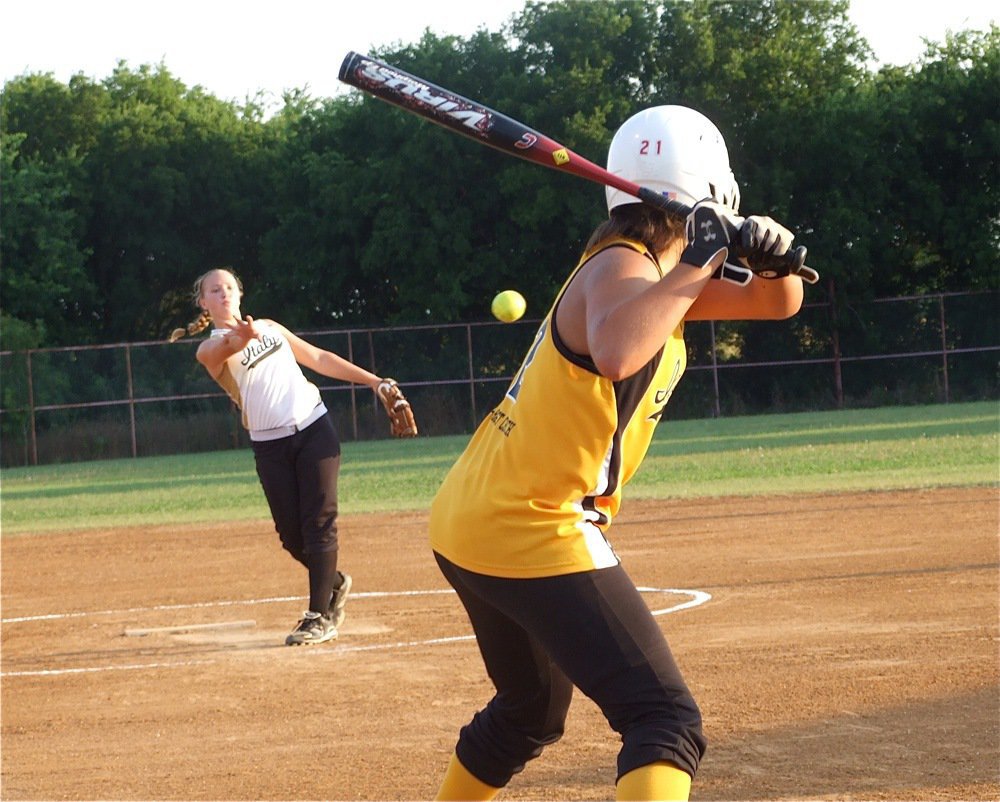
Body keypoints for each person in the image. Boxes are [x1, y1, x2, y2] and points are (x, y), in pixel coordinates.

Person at [427, 105, 809, 801]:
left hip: (475, 516)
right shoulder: (623, 266)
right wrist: (700, 258)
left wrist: (770, 258)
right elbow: (617, 349)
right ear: (713, 188)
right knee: (664, 719)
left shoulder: (660, 275)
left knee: (529, 713)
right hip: (534, 523)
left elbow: (778, 306)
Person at [170, 267, 416, 646]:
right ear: (203, 303)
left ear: (240, 293)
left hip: (314, 427)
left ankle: (319, 616)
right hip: (270, 445)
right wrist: (242, 338)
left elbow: (319, 357)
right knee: (291, 536)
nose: (223, 294)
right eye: (214, 291)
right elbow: (225, 350)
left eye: (229, 287)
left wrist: (374, 381)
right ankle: (333, 581)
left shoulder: (269, 326)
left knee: (319, 523)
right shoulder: (209, 348)